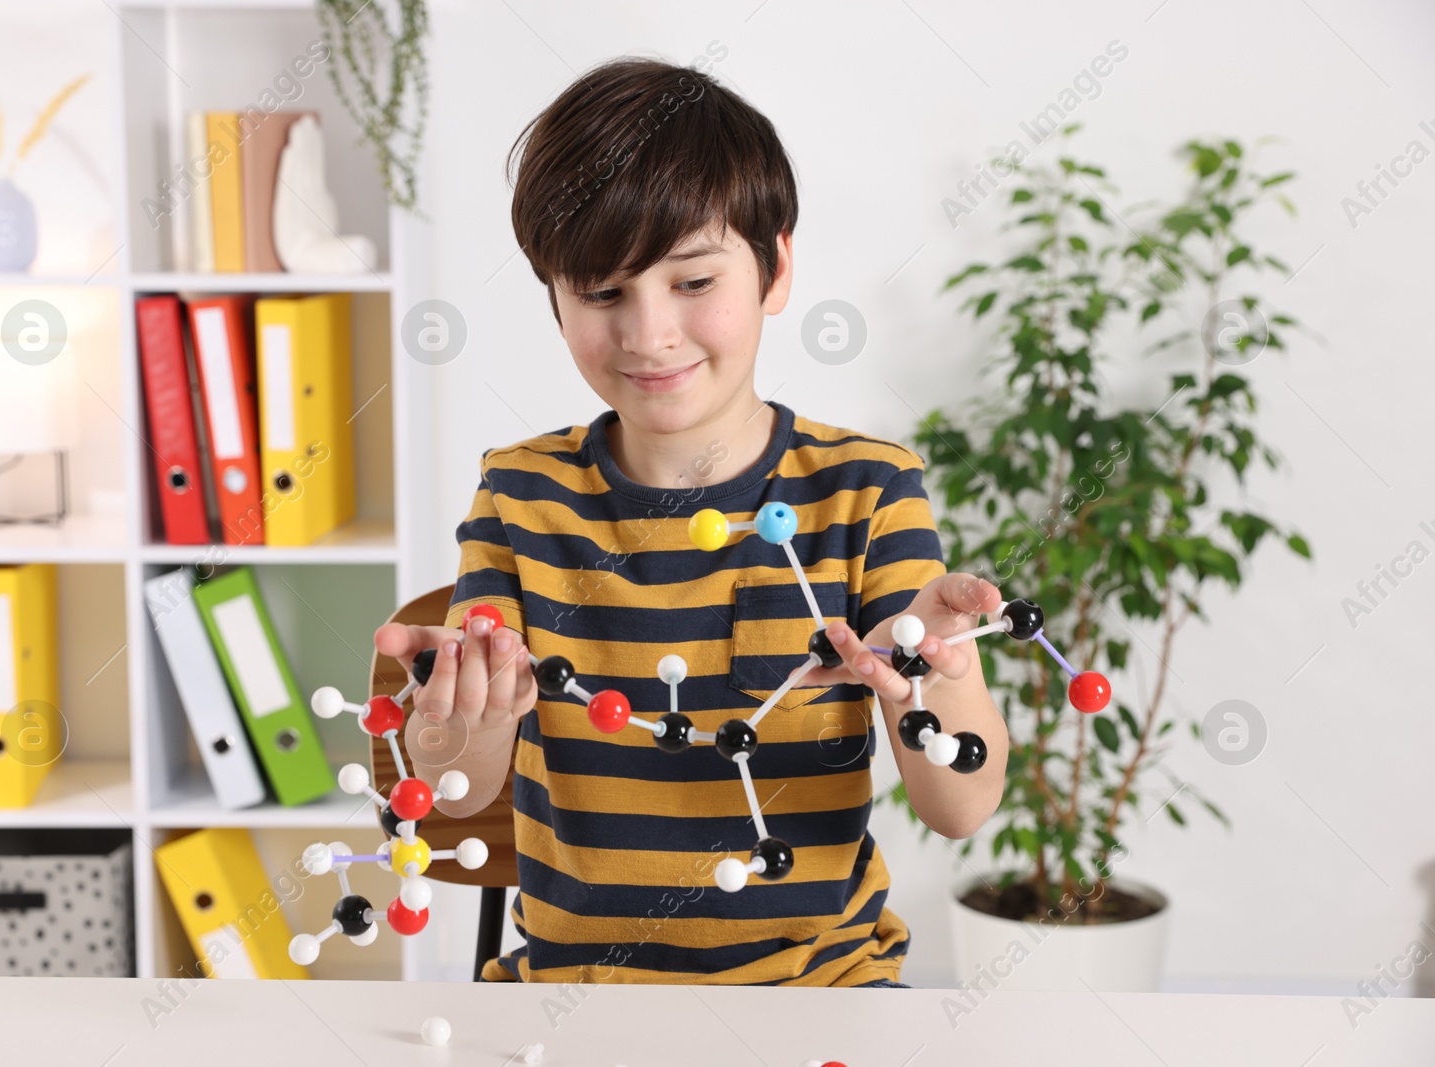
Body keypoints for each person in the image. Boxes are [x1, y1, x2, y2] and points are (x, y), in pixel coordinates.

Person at [375, 56, 1008, 987]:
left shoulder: (868, 491)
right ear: (553, 296)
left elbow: (961, 810)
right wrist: (449, 719)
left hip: (821, 993)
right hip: (573, 998)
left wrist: (927, 684)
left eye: (692, 280)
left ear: (776, 267)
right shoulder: (518, 495)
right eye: (602, 293)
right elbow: (461, 794)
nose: (648, 332)